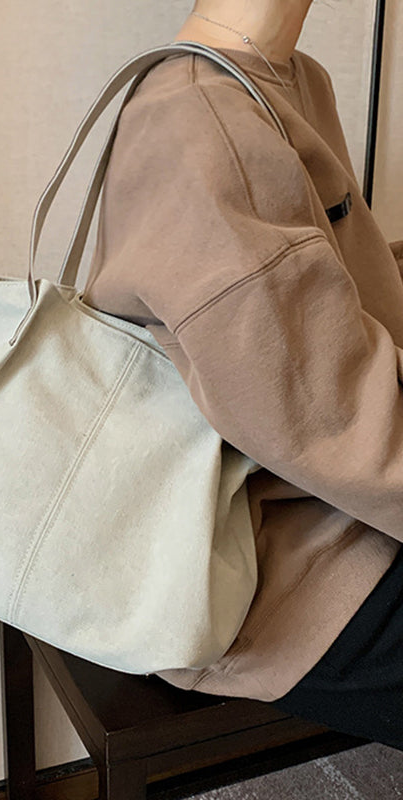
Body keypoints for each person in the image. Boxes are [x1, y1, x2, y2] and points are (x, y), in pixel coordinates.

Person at [80, 0, 403, 750]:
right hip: (278, 570)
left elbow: (328, 302)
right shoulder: (204, 118)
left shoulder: (286, 79)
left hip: (329, 500)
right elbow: (329, 424)